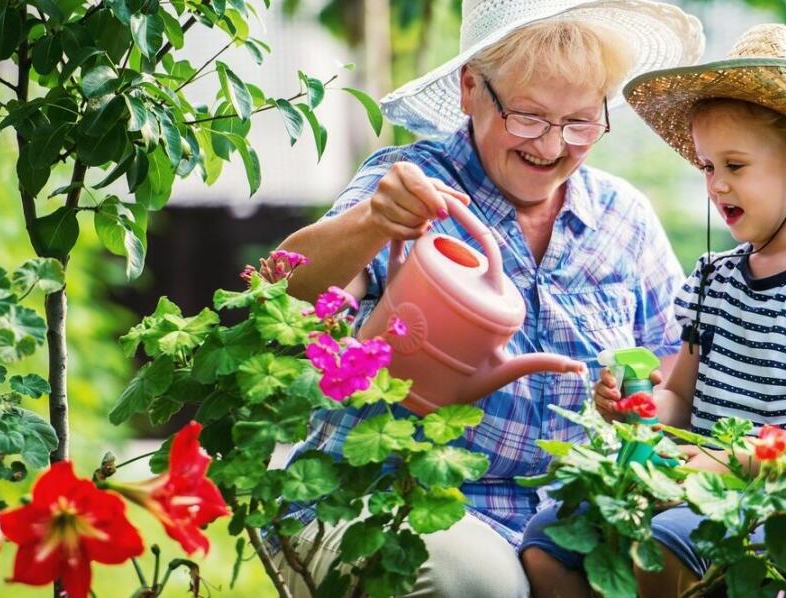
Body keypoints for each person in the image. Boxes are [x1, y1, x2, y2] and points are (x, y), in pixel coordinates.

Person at [272, 1, 704, 596]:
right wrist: (374, 221)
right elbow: (287, 299)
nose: (552, 146)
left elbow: (672, 379)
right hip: (399, 499)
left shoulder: (622, 219)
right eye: (528, 116)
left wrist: (642, 405)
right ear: (471, 87)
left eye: (580, 122)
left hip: (563, 522)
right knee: (477, 583)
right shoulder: (410, 186)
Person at [519, 23, 786, 597]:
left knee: (658, 547)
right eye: (706, 167)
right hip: (698, 486)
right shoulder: (713, 280)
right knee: (548, 538)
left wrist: (741, 461)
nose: (716, 185)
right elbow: (682, 397)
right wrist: (640, 407)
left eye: (735, 165)